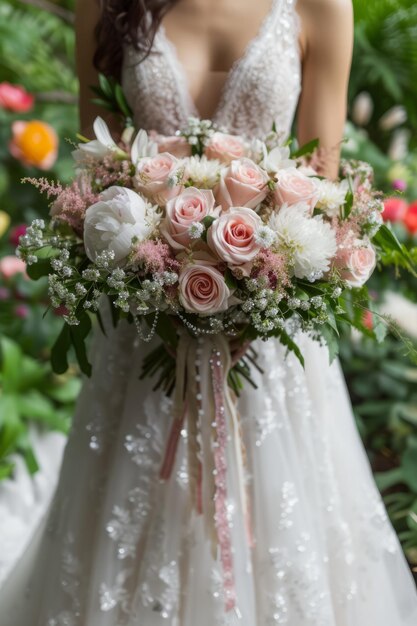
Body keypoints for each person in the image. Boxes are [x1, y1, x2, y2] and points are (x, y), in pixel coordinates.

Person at [1, 0, 417, 624]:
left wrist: (255, 305)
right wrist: (155, 280)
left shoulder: (322, 7)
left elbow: (322, 183)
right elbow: (95, 177)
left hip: (270, 342)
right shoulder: (106, 6)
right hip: (143, 332)